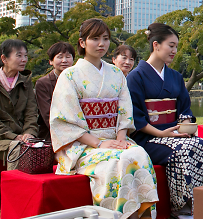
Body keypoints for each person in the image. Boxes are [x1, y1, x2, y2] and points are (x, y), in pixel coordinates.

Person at [50, 19, 157, 218]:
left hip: (114, 139)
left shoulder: (116, 73)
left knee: (138, 153)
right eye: (95, 39)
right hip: (83, 145)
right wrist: (99, 143)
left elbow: (124, 111)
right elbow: (65, 120)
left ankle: (140, 215)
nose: (102, 44)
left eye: (106, 39)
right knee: (121, 160)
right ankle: (117, 215)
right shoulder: (69, 76)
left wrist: (121, 138)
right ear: (82, 43)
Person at [128, 23, 203, 219]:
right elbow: (135, 116)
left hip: (174, 134)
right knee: (182, 149)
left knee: (200, 143)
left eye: (176, 46)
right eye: (171, 45)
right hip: (148, 137)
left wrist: (186, 125)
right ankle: (182, 208)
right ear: (156, 45)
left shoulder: (175, 76)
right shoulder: (136, 76)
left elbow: (184, 108)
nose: (175, 51)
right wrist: (161, 133)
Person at [0, 39, 38, 169]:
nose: (24, 59)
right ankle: (13, 188)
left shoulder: (25, 81)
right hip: (4, 137)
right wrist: (14, 137)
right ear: (4, 58)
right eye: (19, 55)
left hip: (21, 136)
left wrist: (29, 132)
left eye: (26, 55)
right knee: (16, 147)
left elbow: (31, 112)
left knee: (38, 146)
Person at [35, 42, 75, 141]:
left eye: (68, 57)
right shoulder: (43, 83)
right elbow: (48, 115)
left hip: (80, 132)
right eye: (60, 57)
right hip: (53, 134)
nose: (64, 60)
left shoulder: (79, 80)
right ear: (51, 61)